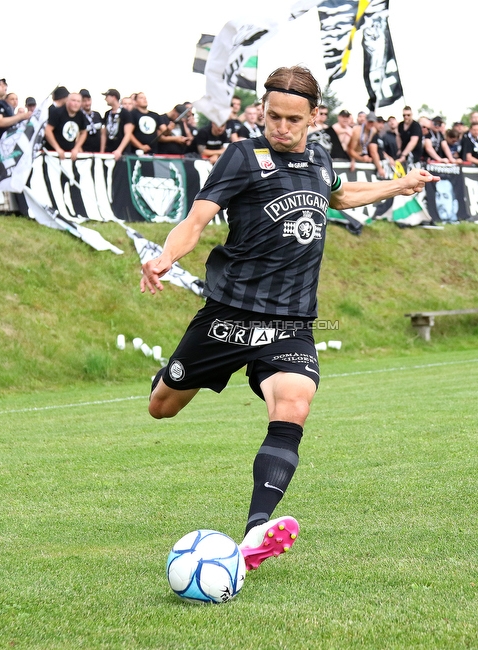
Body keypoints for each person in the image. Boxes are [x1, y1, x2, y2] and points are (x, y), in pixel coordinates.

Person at [139, 65, 436, 570]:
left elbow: (340, 197)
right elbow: (196, 219)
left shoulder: (320, 158)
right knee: (162, 408)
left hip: (290, 320)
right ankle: (166, 375)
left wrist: (397, 185)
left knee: (295, 402)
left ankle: (256, 529)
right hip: (228, 316)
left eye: (292, 119)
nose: (280, 126)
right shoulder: (242, 157)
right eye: (272, 116)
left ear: (313, 117)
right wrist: (168, 257)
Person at [0, 78, 27, 149]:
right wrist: (21, 116)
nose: (4, 87)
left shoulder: (5, 104)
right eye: (0, 85)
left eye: (4, 85)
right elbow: (0, 122)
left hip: (7, 145)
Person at [45, 91, 88, 160]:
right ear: (67, 101)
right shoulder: (57, 112)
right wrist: (57, 148)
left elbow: (84, 132)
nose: (76, 104)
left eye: (78, 101)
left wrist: (76, 148)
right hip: (53, 154)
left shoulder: (81, 115)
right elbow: (47, 130)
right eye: (73, 100)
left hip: (70, 154)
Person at [100, 88, 134, 159]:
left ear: (113, 97)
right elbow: (104, 133)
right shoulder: (107, 114)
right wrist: (102, 151)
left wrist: (119, 150)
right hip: (109, 151)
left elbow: (128, 134)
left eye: (107, 97)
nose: (105, 99)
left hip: (122, 153)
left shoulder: (125, 113)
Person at [79, 89, 104, 153]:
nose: (87, 103)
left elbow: (102, 133)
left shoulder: (97, 114)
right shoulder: (78, 116)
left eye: (88, 100)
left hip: (98, 152)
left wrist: (102, 151)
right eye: (84, 101)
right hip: (84, 152)